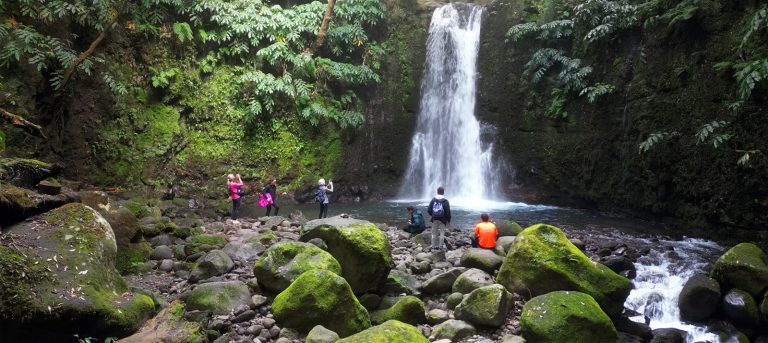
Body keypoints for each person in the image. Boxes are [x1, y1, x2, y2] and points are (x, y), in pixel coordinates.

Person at [427, 186, 451, 251]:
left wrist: (433, 215)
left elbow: (429, 210)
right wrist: (448, 220)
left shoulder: (433, 199)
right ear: (443, 193)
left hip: (435, 219)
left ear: (437, 192)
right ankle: (440, 246)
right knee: (442, 233)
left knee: (434, 233)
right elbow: (448, 212)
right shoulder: (445, 201)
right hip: (443, 220)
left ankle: (433, 246)